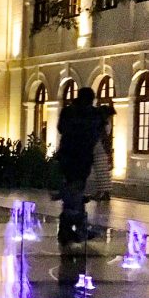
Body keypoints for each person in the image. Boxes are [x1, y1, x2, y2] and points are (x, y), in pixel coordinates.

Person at [55, 87, 101, 246]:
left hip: (68, 157)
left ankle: (70, 229)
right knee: (75, 191)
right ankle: (73, 229)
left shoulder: (68, 112)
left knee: (73, 192)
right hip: (79, 159)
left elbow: (61, 128)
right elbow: (97, 132)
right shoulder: (90, 114)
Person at [86, 105, 115, 201]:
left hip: (100, 148)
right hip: (101, 148)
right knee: (102, 171)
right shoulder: (104, 123)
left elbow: (104, 137)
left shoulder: (103, 124)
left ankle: (102, 193)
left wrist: (108, 151)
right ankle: (104, 193)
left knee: (101, 171)